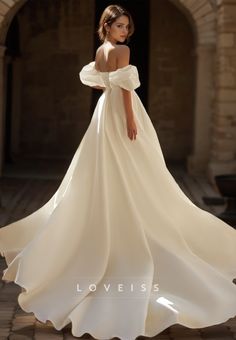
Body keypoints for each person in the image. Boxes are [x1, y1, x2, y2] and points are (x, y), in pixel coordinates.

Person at [0, 4, 236, 340]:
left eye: (127, 27)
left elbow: (100, 84)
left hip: (102, 113)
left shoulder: (101, 50)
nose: (125, 32)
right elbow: (125, 90)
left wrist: (111, 94)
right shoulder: (122, 51)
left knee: (107, 166)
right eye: (120, 26)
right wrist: (130, 121)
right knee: (136, 165)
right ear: (107, 26)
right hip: (120, 111)